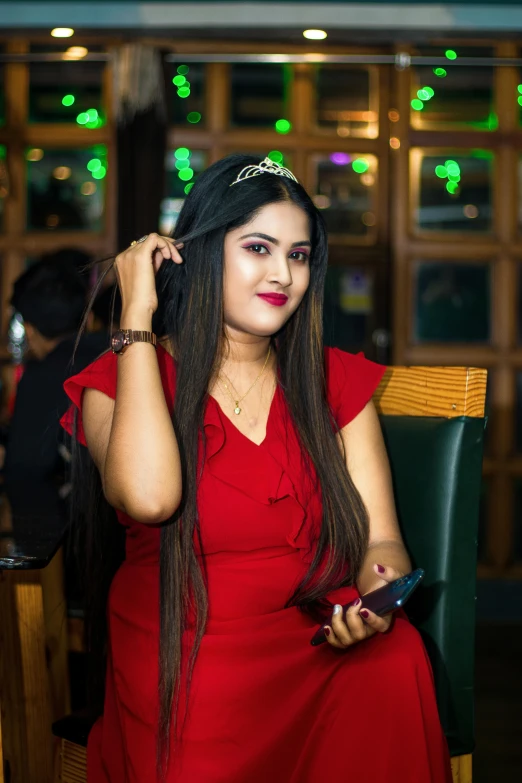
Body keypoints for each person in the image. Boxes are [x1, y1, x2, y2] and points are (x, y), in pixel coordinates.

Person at [61, 155, 452, 782]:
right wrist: (136, 316)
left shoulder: (334, 378)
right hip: (189, 648)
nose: (282, 275)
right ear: (199, 252)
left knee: (396, 657)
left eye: (298, 256)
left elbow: (381, 537)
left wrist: (379, 600)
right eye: (259, 248)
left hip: (315, 632)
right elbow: (150, 499)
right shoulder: (122, 379)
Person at [4, 256, 106, 480]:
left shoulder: (40, 377)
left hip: (65, 508)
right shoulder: (110, 354)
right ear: (86, 318)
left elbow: (24, 465)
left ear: (29, 330)